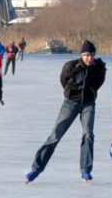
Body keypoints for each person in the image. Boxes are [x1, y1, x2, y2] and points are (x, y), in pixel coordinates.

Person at [26, 40, 107, 183]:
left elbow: (99, 83)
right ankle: (36, 168)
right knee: (56, 135)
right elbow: (63, 81)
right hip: (70, 103)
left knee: (88, 134)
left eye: (92, 55)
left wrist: (90, 93)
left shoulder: (99, 67)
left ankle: (85, 170)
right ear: (82, 55)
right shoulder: (70, 66)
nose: (90, 58)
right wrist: (71, 93)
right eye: (87, 55)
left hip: (88, 104)